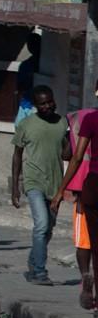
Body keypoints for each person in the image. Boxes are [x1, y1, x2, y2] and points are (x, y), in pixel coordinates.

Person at [11, 85, 69, 285]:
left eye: (50, 102)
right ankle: (39, 272)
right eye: (42, 103)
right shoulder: (26, 124)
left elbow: (66, 153)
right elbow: (17, 155)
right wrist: (15, 188)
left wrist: (70, 140)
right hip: (33, 181)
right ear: (36, 106)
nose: (48, 106)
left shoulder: (62, 123)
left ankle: (33, 260)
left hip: (55, 184)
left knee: (48, 229)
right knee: (41, 225)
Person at [60, 104, 96, 307]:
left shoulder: (79, 119)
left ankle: (85, 276)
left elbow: (69, 155)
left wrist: (60, 192)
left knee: (83, 242)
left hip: (85, 190)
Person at [16, 35, 41, 124]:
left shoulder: (45, 64)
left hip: (36, 107)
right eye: (30, 44)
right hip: (26, 104)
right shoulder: (25, 65)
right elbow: (20, 88)